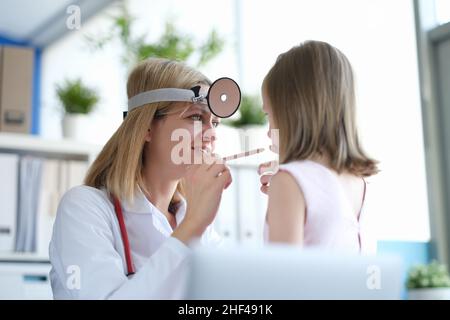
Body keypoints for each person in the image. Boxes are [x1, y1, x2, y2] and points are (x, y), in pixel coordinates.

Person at [49, 58, 232, 299]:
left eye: (215, 123)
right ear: (147, 127)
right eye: (196, 118)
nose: (211, 135)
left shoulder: (193, 221)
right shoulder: (84, 208)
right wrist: (192, 226)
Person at [258, 41, 378, 253]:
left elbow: (282, 282)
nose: (269, 132)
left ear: (291, 112)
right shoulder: (361, 183)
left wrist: (288, 187)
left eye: (269, 115)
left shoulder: (287, 181)